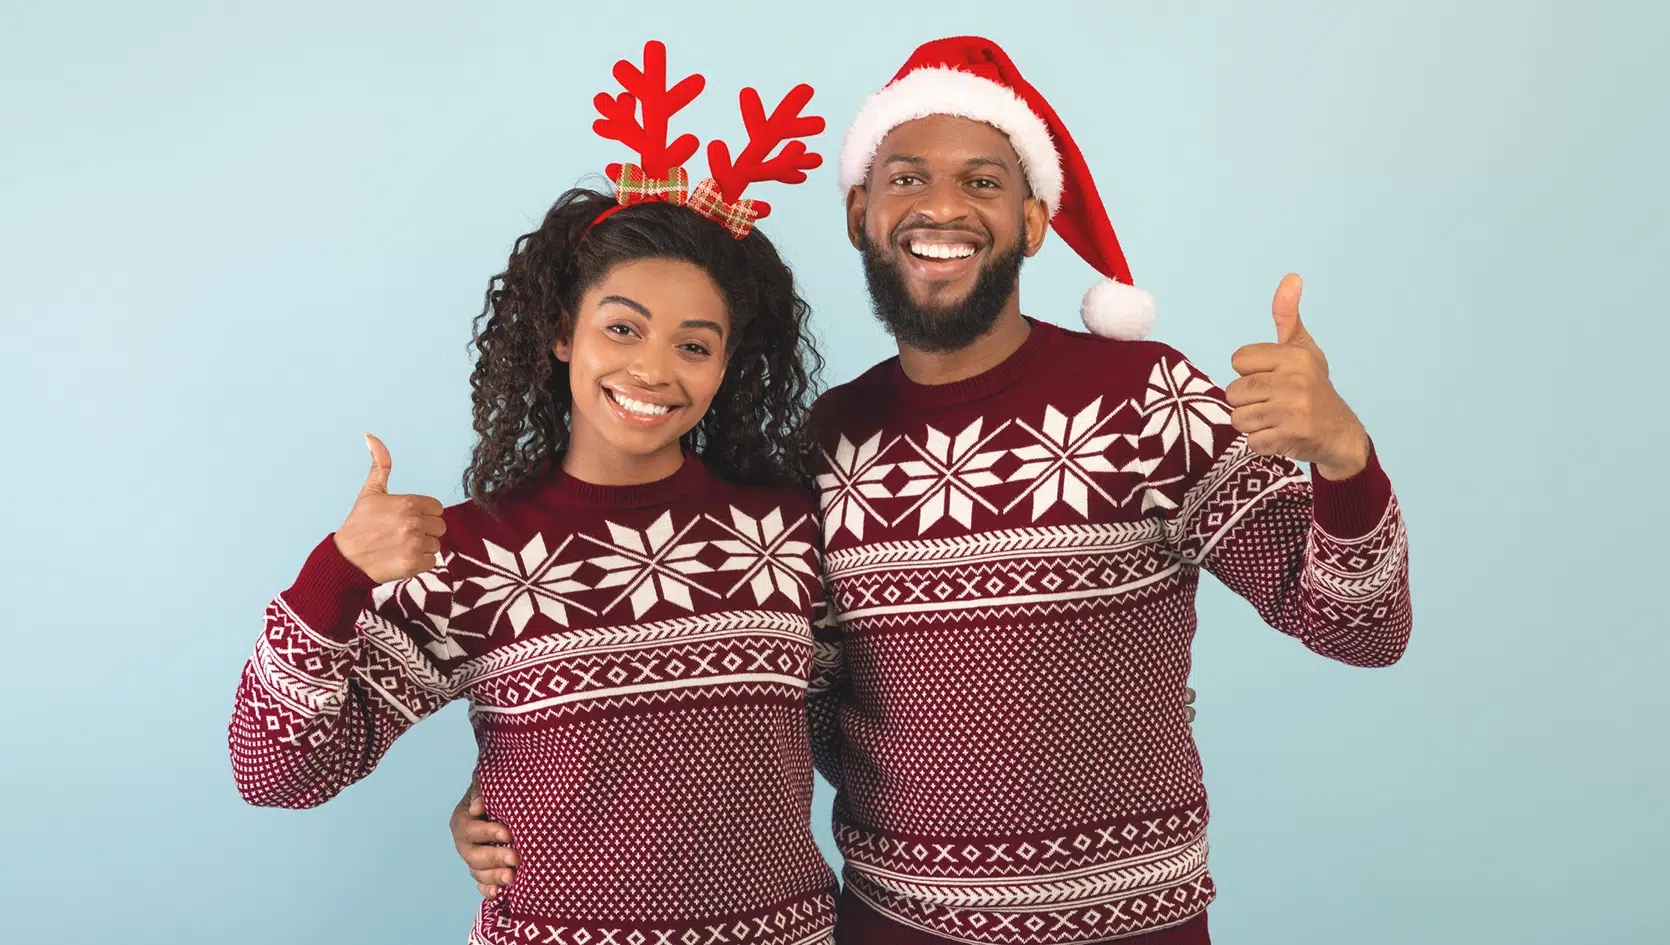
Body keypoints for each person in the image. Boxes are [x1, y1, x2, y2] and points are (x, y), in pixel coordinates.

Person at [452, 35, 1412, 945]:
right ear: (860, 213)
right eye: (907, 177)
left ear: (1034, 219)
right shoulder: (827, 444)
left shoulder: (1146, 395)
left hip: (1133, 921)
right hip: (890, 923)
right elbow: (779, 694)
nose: (941, 206)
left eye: (982, 182)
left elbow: (1361, 627)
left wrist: (1341, 454)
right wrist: (528, 787)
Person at [229, 42, 843, 945]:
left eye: (694, 344)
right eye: (623, 327)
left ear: (726, 367)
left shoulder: (786, 532)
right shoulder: (473, 554)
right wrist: (337, 575)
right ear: (563, 332)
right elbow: (277, 771)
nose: (653, 368)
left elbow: (869, 729)